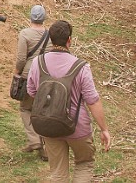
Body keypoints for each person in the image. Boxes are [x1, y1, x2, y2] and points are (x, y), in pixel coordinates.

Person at [26, 20, 112, 182]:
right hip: (77, 128)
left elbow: (31, 92)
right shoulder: (81, 66)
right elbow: (92, 101)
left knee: (58, 172)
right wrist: (104, 129)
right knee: (84, 163)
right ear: (69, 40)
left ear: (50, 39)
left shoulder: (38, 62)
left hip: (48, 125)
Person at [13, 5, 50, 160]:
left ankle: (35, 141)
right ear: (44, 18)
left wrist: (16, 72)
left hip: (29, 75)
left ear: (30, 17)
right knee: (42, 111)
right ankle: (45, 149)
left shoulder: (25, 33)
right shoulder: (50, 34)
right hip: (47, 76)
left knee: (25, 109)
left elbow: (21, 58)